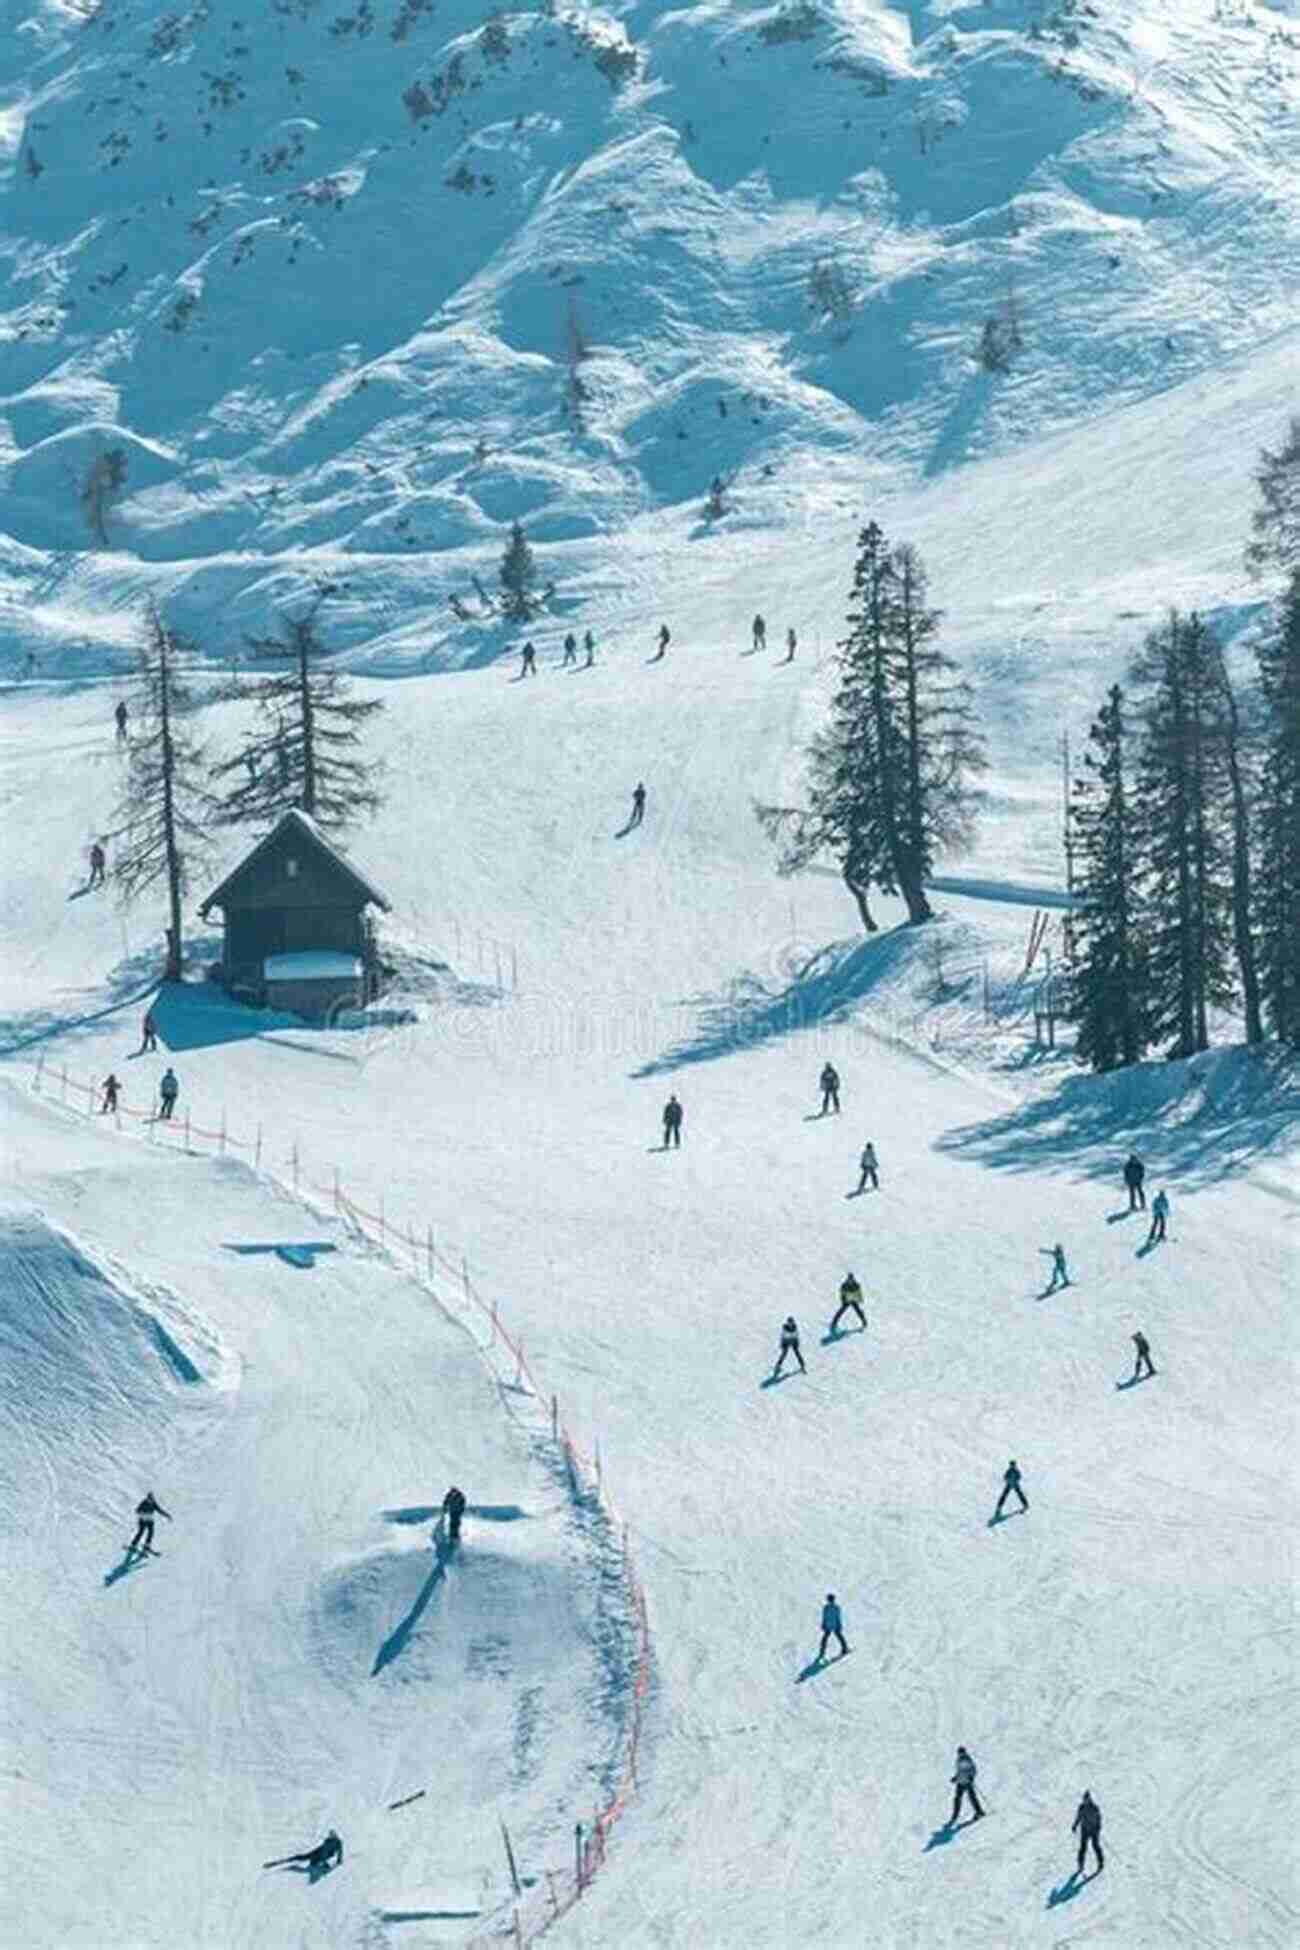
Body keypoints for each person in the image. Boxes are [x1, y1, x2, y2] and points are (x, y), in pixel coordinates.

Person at [264, 1830, 344, 1874]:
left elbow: (333, 1852)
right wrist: (336, 1861)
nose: (331, 1836)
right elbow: (325, 1851)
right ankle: (287, 1861)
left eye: (332, 1835)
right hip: (317, 1853)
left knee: (303, 1858)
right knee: (303, 1858)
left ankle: (287, 1861)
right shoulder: (330, 1841)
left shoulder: (336, 1842)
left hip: (319, 1855)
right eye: (331, 1835)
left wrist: (328, 1862)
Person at [949, 1746, 984, 1825]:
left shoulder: (967, 1759)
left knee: (971, 1797)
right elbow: (960, 1771)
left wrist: (971, 1777)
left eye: (961, 1752)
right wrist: (955, 1778)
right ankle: (955, 1815)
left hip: (967, 1781)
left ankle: (979, 1812)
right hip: (961, 1782)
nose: (960, 1754)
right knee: (958, 1798)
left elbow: (973, 1769)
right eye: (959, 1753)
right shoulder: (958, 1760)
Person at [1072, 1791, 1103, 1875]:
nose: (1085, 1801)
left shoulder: (1095, 1808)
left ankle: (1100, 1863)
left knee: (1095, 1846)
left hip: (1093, 1831)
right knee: (1083, 1848)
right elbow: (1078, 1817)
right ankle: (1080, 1864)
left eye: (1087, 1799)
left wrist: (1098, 1828)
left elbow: (1099, 1819)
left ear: (1090, 1799)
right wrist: (1075, 1825)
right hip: (1085, 1830)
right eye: (1084, 1799)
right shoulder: (1081, 1807)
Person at [773, 1315, 805, 1379]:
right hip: (786, 1342)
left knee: (797, 1353)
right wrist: (782, 1343)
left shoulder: (795, 1327)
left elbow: (796, 1335)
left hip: (793, 1341)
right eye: (789, 1323)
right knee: (784, 1354)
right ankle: (778, 1365)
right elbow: (782, 1336)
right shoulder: (784, 1328)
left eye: (791, 1323)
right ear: (787, 1323)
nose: (790, 1324)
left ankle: (802, 1365)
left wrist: (796, 1342)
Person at [817, 1593, 847, 1662]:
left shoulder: (826, 1608)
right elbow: (838, 1617)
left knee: (825, 1639)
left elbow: (824, 1617)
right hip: (835, 1625)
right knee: (840, 1637)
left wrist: (823, 1624)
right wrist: (839, 1625)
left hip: (828, 1626)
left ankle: (822, 1652)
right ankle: (844, 1648)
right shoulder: (837, 1607)